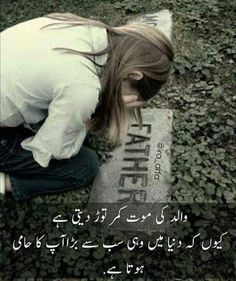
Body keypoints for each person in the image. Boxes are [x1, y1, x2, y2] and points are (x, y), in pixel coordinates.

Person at [0, 11, 174, 200]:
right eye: (133, 100)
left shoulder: (85, 27)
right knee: (85, 165)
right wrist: (98, 109)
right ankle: (4, 183)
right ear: (134, 75)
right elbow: (51, 151)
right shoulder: (83, 87)